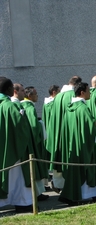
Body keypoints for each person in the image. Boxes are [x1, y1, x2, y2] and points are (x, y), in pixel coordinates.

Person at [58, 82, 96, 205]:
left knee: (76, 170)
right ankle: (87, 194)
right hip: (85, 144)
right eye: (88, 91)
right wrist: (94, 125)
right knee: (88, 168)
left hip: (73, 145)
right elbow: (89, 127)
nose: (90, 93)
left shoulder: (69, 108)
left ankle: (90, 194)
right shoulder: (83, 108)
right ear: (82, 93)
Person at [0, 78, 34, 213]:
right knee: (18, 177)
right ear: (9, 90)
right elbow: (21, 129)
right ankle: (22, 202)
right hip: (13, 150)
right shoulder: (10, 106)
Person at [46, 76, 82, 192]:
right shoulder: (73, 95)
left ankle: (58, 184)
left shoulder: (58, 96)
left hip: (58, 134)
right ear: (77, 85)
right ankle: (71, 186)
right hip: (69, 134)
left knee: (59, 159)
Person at [21, 86, 49, 201]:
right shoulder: (29, 107)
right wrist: (40, 124)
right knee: (35, 168)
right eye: (36, 94)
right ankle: (37, 193)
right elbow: (33, 126)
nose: (37, 96)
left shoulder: (23, 105)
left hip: (28, 142)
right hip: (33, 143)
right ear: (29, 96)